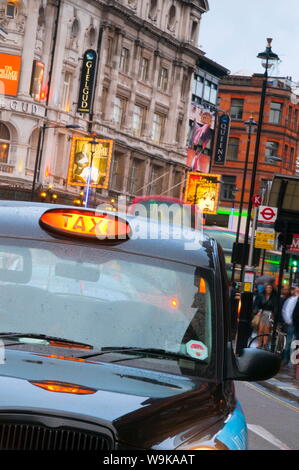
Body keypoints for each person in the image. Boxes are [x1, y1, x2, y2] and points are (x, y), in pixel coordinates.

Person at [254, 284, 279, 348]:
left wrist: (273, 315)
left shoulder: (274, 296)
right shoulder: (261, 295)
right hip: (262, 313)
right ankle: (259, 344)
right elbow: (257, 304)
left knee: (267, 330)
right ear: (265, 289)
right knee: (260, 329)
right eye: (267, 288)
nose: (269, 289)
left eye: (270, 288)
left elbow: (275, 306)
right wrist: (258, 311)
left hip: (270, 313)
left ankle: (265, 344)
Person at [280, 286, 298, 366]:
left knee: (296, 342)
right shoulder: (291, 300)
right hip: (292, 324)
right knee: (289, 342)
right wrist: (289, 321)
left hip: (297, 324)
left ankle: (293, 361)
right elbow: (286, 310)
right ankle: (286, 359)